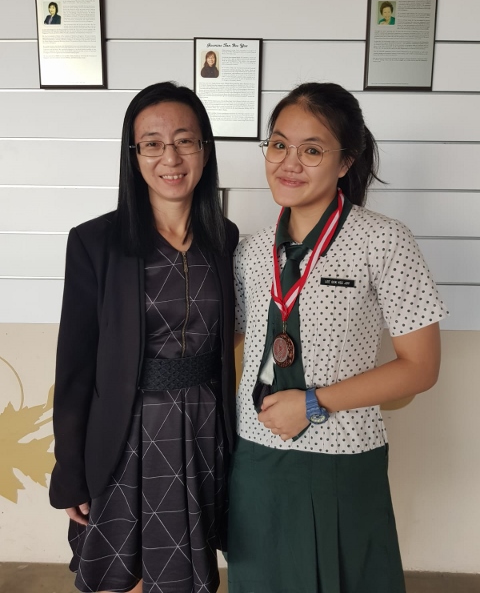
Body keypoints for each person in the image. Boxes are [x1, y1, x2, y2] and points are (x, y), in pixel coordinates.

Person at [228, 82, 447, 593]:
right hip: (255, 455)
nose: (289, 163)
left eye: (312, 150)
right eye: (279, 144)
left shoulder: (384, 240)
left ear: (346, 161)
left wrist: (312, 402)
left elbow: (421, 368)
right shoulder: (248, 252)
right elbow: (230, 343)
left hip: (343, 458)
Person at [49, 81, 239, 593]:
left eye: (185, 140)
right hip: (125, 434)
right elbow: (75, 367)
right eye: (152, 143)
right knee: (122, 578)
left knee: (187, 575)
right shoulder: (95, 242)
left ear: (205, 150)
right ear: (133, 155)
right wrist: (69, 470)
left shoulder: (225, 238)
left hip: (204, 432)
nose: (170, 157)